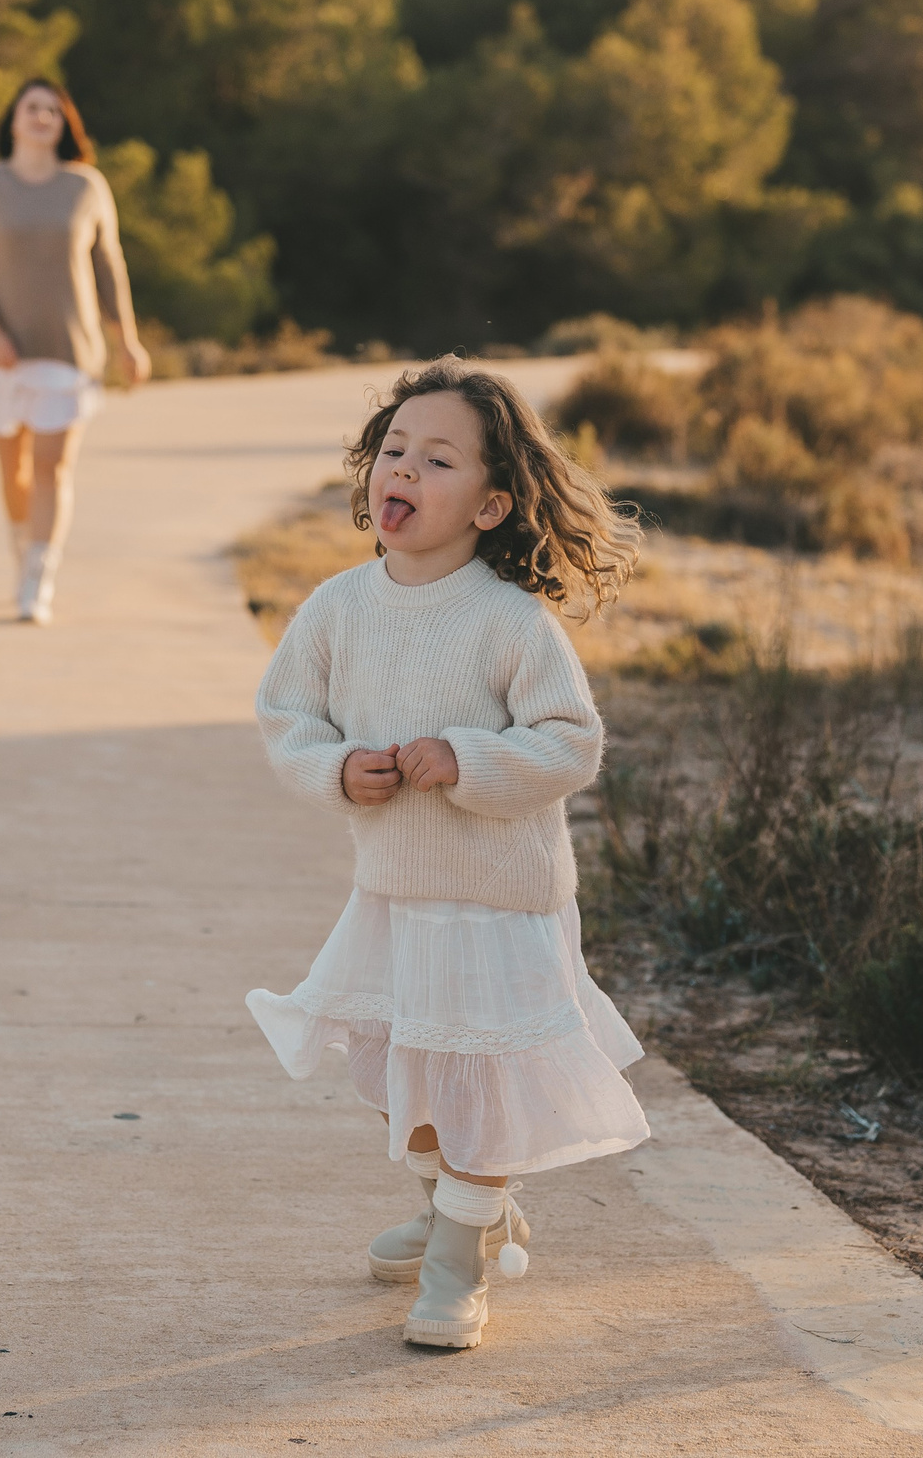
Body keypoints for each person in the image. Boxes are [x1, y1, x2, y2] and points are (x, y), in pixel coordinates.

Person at [246, 356, 650, 1351]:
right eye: (393, 450)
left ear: (489, 504)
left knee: (476, 1083)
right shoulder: (337, 607)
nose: (404, 471)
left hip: (496, 901)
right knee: (405, 1074)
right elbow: (284, 715)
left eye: (437, 459)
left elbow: (567, 739)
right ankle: (459, 1207)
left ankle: (459, 1260)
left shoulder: (508, 618)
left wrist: (465, 756)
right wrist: (339, 767)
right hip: (395, 890)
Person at [0, 79, 151, 624]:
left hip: (68, 349)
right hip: (1, 353)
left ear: (64, 125)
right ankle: (23, 547)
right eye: (31, 108)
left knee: (51, 467)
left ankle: (39, 575)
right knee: (12, 464)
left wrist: (126, 340)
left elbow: (109, 268)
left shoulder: (85, 186)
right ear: (13, 120)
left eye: (53, 111)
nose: (42, 118)